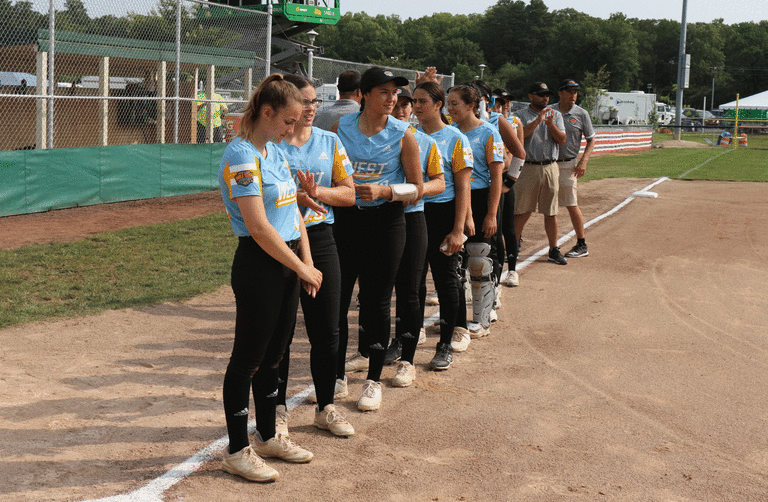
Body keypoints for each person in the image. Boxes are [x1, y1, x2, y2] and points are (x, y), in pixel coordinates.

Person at [218, 74, 322, 483]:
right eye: (288, 121)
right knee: (248, 359)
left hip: (288, 261)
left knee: (276, 355)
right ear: (266, 112)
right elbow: (259, 228)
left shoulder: (274, 151)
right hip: (259, 265)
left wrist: (306, 261)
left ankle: (266, 436)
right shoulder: (242, 156)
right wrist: (301, 267)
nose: (292, 129)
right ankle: (236, 450)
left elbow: (293, 212)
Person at [331, 67, 423, 411]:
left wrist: (386, 191)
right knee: (338, 301)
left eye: (394, 92)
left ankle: (372, 381)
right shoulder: (339, 129)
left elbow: (417, 188)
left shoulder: (404, 134)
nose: (391, 98)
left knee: (377, 302)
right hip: (346, 221)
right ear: (364, 95)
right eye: (383, 91)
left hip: (387, 223)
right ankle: (336, 376)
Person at [274, 74, 356, 437]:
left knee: (327, 327)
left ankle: (326, 407)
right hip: (280, 241)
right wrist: (297, 196)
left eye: (314, 102)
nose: (310, 108)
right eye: (304, 102)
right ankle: (277, 409)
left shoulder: (329, 141)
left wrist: (316, 193)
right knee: (280, 333)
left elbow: (349, 194)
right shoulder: (272, 143)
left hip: (320, 239)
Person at [385, 86, 445, 383]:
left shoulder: (425, 142)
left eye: (406, 105)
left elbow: (439, 183)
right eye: (396, 104)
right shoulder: (375, 139)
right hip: (379, 219)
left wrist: (411, 191)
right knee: (379, 290)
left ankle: (407, 358)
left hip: (411, 218)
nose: (400, 110)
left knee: (410, 288)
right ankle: (375, 348)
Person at [412, 80, 473, 370]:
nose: (416, 106)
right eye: (414, 101)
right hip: (415, 213)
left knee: (445, 278)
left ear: (438, 105)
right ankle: (408, 335)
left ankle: (446, 343)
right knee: (413, 279)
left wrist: (458, 229)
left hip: (443, 213)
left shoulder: (456, 138)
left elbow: (462, 187)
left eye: (422, 101)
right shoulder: (410, 135)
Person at [446, 84, 504, 345]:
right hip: (457, 198)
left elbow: (496, 176)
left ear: (471, 105)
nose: (450, 108)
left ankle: (482, 319)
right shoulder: (450, 132)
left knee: (480, 260)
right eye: (448, 103)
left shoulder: (489, 133)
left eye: (455, 104)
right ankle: (454, 317)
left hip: (482, 198)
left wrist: (491, 214)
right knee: (456, 262)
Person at [513, 82, 567, 266]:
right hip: (528, 167)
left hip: (550, 166)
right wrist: (538, 120)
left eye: (547, 95)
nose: (545, 98)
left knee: (551, 212)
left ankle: (554, 249)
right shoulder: (520, 115)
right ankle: (513, 247)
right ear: (531, 96)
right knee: (521, 210)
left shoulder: (556, 115)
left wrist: (550, 124)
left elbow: (561, 140)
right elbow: (519, 137)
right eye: (541, 94)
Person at [552, 79, 596, 259]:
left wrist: (583, 161)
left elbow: (591, 139)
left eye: (575, 92)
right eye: (570, 91)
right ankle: (519, 241)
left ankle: (581, 243)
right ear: (560, 93)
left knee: (571, 204)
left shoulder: (581, 114)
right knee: (543, 205)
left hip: (568, 165)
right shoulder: (551, 111)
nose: (573, 95)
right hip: (548, 164)